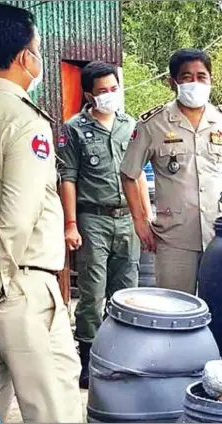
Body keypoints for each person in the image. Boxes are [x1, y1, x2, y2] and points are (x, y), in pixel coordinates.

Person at [0, 4, 83, 423]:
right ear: (23, 58)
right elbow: (16, 217)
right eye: (36, 49)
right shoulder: (23, 120)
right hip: (17, 286)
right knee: (55, 410)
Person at [120, 48, 222, 295]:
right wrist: (139, 221)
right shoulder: (152, 124)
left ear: (211, 80)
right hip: (174, 237)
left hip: (220, 234)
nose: (195, 83)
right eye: (187, 77)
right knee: (176, 309)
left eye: (201, 76)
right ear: (172, 82)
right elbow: (128, 173)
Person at [57, 60, 149, 389]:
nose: (110, 95)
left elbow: (136, 175)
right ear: (88, 94)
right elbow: (67, 178)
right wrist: (71, 224)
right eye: (102, 91)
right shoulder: (74, 128)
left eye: (114, 89)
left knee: (127, 291)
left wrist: (145, 217)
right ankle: (89, 358)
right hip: (92, 218)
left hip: (127, 218)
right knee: (93, 293)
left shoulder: (130, 125)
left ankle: (123, 355)